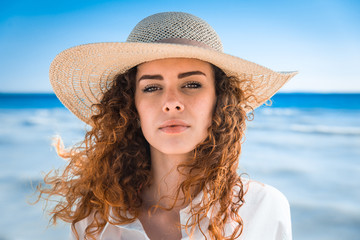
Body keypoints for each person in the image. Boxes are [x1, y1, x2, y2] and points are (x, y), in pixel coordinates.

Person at [38, 12, 297, 240]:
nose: (171, 103)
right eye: (152, 87)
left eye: (192, 84)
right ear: (131, 106)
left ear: (219, 101)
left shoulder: (263, 208)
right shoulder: (95, 218)